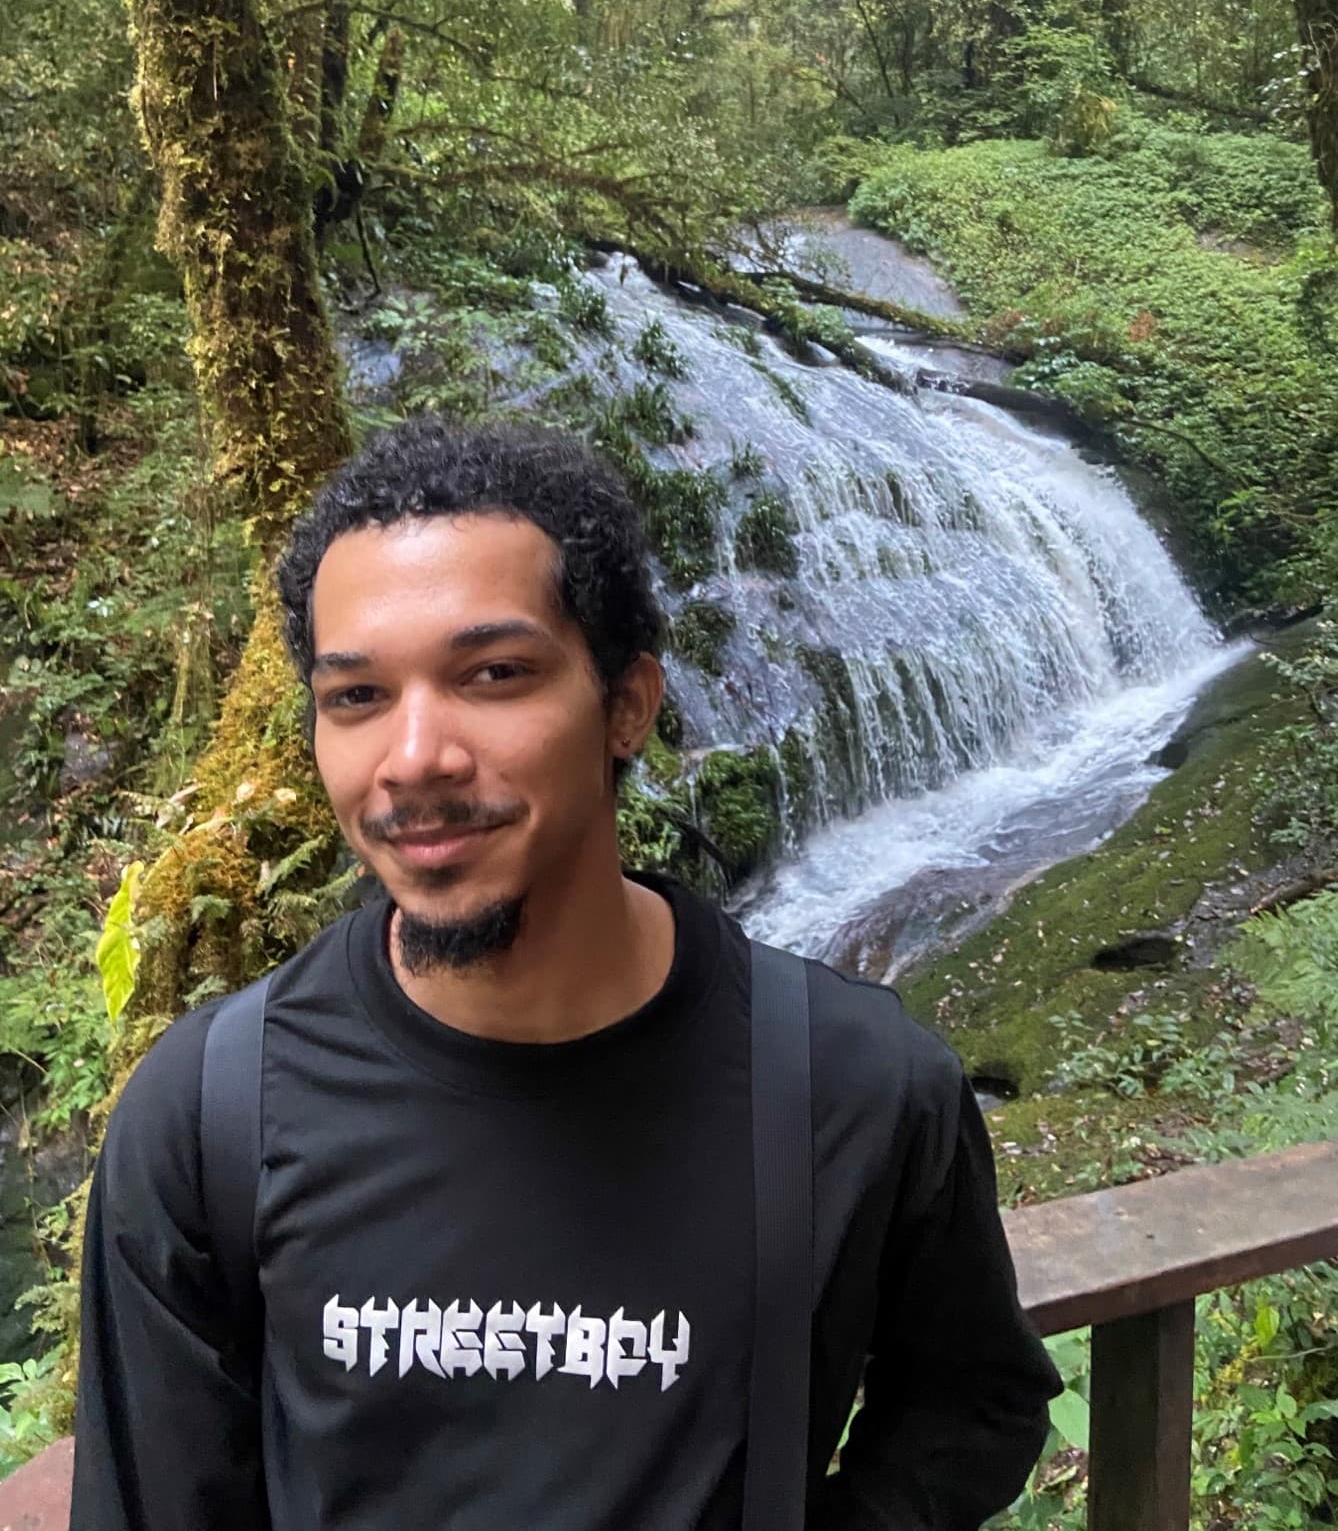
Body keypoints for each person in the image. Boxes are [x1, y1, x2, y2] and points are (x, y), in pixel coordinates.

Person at [71, 418, 1060, 1530]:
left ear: (627, 705)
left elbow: (975, 1403)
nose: (414, 760)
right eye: (356, 698)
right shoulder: (207, 1115)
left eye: (493, 675)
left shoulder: (858, 1087)